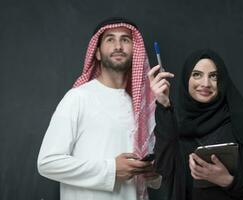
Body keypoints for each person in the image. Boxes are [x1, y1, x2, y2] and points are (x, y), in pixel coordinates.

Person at [37, 17, 161, 200]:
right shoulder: (78, 98)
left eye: (125, 40)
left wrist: (151, 174)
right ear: (97, 53)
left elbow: (148, 177)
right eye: (110, 39)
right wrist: (111, 170)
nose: (118, 46)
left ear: (136, 51)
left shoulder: (139, 108)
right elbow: (47, 163)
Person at [148, 49, 243, 200]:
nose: (205, 83)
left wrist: (228, 181)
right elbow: (164, 171)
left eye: (213, 76)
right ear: (187, 79)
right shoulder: (175, 125)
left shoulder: (239, 126)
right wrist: (164, 105)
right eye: (197, 75)